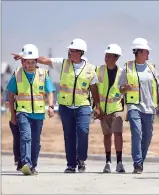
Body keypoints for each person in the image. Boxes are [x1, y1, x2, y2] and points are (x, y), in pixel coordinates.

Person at [13, 38, 100, 173]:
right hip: (65, 107)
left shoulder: (90, 68)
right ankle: (71, 165)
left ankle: (81, 158)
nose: (68, 53)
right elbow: (44, 60)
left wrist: (98, 106)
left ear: (80, 52)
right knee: (69, 135)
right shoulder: (63, 63)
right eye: (69, 51)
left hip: (83, 106)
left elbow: (94, 88)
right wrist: (27, 57)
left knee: (83, 131)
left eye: (71, 51)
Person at [9, 44, 55, 175]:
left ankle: (33, 166)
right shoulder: (17, 74)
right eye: (27, 62)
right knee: (26, 137)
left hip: (39, 114)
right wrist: (13, 115)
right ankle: (26, 164)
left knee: (36, 142)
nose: (29, 65)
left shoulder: (43, 74)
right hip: (23, 112)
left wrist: (51, 106)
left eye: (32, 62)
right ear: (23, 62)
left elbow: (50, 91)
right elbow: (11, 95)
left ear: (36, 61)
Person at [118, 38, 159, 174]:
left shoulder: (152, 68)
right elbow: (120, 88)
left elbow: (158, 88)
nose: (148, 54)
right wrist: (125, 88)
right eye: (146, 51)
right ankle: (137, 164)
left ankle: (141, 160)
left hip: (149, 108)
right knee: (137, 132)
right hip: (134, 106)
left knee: (147, 136)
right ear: (139, 52)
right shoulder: (127, 68)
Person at [95, 44, 125, 173]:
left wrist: (125, 89)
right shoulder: (99, 70)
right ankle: (108, 162)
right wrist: (96, 107)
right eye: (105, 55)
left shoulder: (122, 72)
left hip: (117, 107)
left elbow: (123, 88)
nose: (106, 58)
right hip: (103, 109)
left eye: (108, 56)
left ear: (116, 57)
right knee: (107, 135)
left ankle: (119, 162)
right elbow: (94, 88)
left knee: (118, 133)